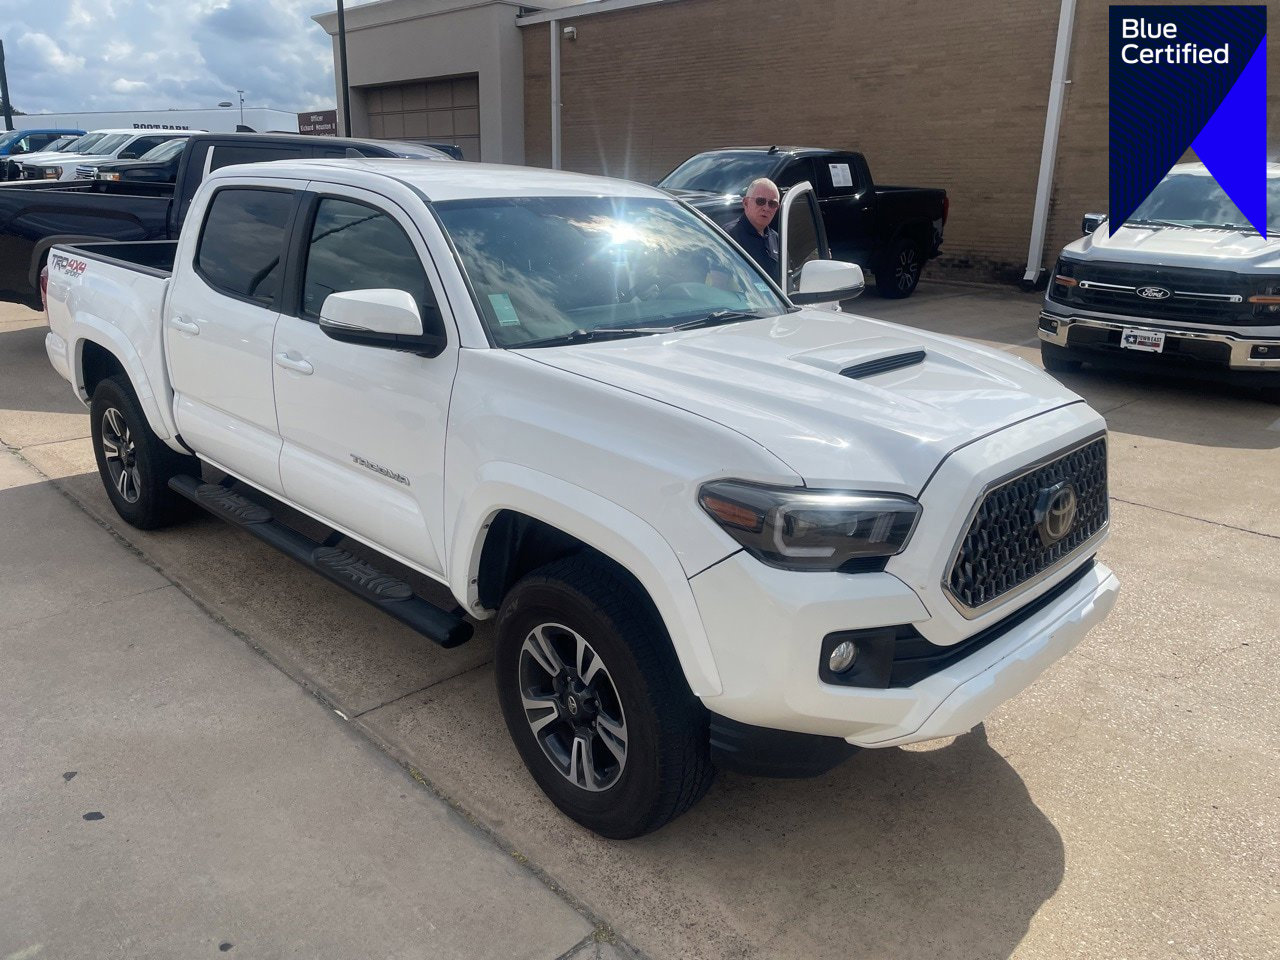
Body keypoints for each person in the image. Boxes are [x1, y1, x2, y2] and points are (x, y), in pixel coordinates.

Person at [727, 177, 781, 280]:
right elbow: (721, 282)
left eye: (772, 204)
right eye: (760, 201)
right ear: (746, 203)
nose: (766, 208)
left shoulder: (777, 240)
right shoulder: (729, 236)